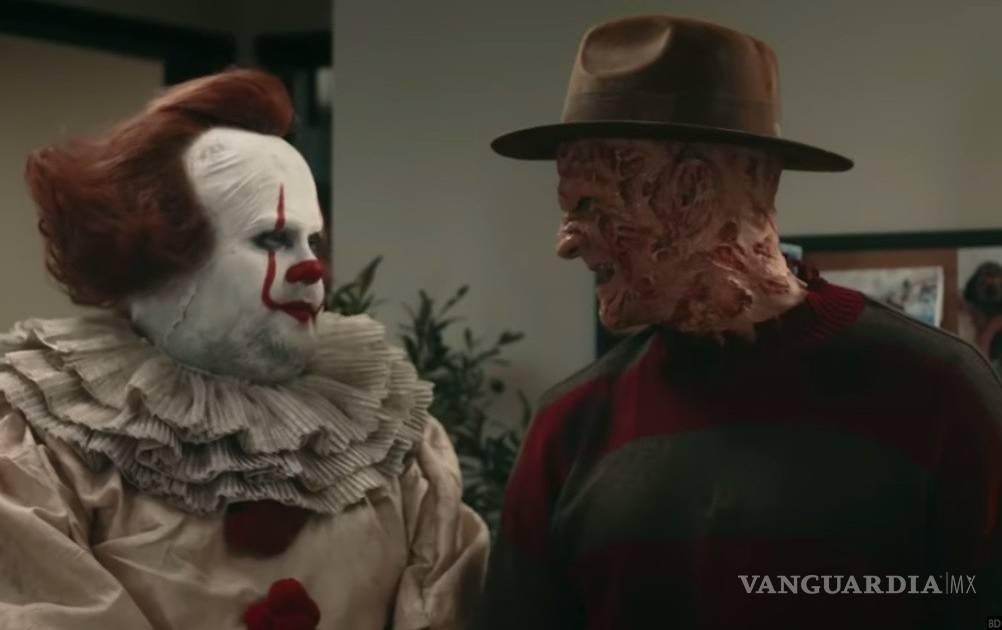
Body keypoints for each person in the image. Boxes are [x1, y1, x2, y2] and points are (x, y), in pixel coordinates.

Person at [476, 15, 1001, 629]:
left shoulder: (939, 392)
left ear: (692, 192)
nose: (566, 244)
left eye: (590, 205)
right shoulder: (567, 428)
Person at [0, 69, 487, 630]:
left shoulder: (394, 442)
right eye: (272, 238)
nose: (312, 268)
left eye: (312, 239)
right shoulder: (46, 449)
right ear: (155, 254)